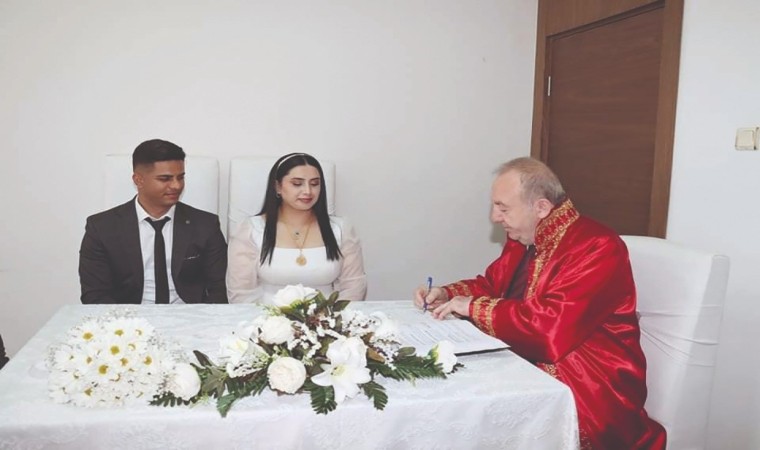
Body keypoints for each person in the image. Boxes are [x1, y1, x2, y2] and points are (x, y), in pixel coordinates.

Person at [414, 157, 666, 449]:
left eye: (503, 208)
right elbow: (493, 286)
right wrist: (448, 294)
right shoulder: (525, 236)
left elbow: (547, 331)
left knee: (465, 411)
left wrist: (471, 306)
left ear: (542, 208)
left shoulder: (597, 247)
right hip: (524, 361)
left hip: (587, 384)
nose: (494, 217)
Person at [79, 139, 228, 304]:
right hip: (128, 315)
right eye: (165, 179)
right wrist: (125, 320)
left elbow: (219, 289)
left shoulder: (205, 225)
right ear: (138, 180)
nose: (176, 185)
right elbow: (95, 294)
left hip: (190, 314)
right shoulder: (102, 228)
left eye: (180, 177)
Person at [227, 152, 366, 304]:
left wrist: (328, 317)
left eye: (314, 184)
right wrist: (271, 319)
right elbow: (241, 292)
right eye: (297, 184)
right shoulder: (250, 230)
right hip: (265, 316)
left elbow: (353, 286)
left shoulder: (341, 229)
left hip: (328, 317)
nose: (308, 191)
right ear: (278, 187)